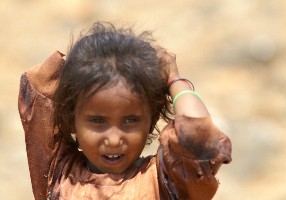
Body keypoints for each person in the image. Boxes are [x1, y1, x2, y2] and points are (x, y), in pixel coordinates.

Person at [18, 22, 232, 200]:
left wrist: (174, 79)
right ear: (72, 119)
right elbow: (40, 88)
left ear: (151, 121)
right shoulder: (58, 172)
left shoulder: (165, 182)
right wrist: (89, 65)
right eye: (97, 120)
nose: (113, 139)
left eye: (130, 120)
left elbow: (199, 138)